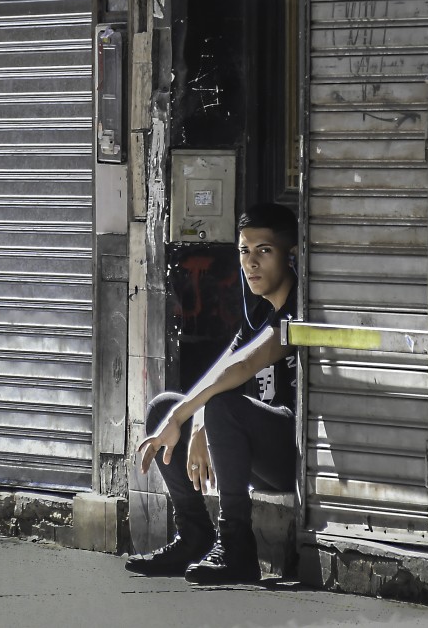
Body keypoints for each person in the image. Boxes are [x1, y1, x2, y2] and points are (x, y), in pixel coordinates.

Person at [125, 203, 298, 585]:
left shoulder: (297, 309)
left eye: (264, 251)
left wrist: (189, 417)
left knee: (208, 407)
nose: (250, 263)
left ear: (291, 254)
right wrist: (194, 421)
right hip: (253, 448)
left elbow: (243, 367)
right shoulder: (258, 312)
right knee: (162, 408)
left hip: (293, 454)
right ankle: (193, 536)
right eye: (244, 251)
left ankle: (236, 545)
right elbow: (220, 372)